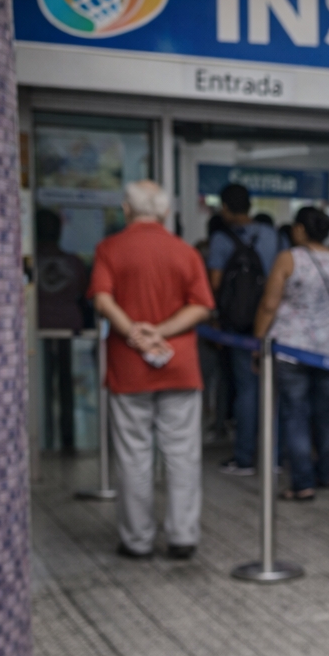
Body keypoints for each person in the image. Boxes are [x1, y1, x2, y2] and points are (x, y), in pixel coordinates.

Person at [88, 181, 214, 560]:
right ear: (164, 212)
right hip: (179, 365)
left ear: (127, 209)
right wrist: (160, 331)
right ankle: (182, 536)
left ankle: (137, 540)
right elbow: (201, 306)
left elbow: (102, 299)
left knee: (133, 456)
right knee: (182, 454)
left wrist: (134, 333)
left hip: (129, 369)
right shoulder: (185, 252)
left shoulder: (109, 249)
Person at [253, 206, 329, 501]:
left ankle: (303, 481)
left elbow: (270, 304)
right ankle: (326, 472)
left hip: (292, 346)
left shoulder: (289, 258)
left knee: (295, 414)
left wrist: (258, 341)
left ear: (302, 230)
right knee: (327, 412)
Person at [207, 183, 282, 476]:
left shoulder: (221, 239)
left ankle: (245, 457)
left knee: (246, 390)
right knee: (272, 391)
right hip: (271, 321)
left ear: (226, 207)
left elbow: (214, 283)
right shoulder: (271, 236)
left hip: (237, 324)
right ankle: (273, 456)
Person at [34, 208, 91, 453]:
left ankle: (44, 438)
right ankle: (68, 441)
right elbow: (86, 292)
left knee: (41, 385)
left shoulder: (29, 261)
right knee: (66, 385)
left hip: (38, 327)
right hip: (69, 327)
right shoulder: (73, 262)